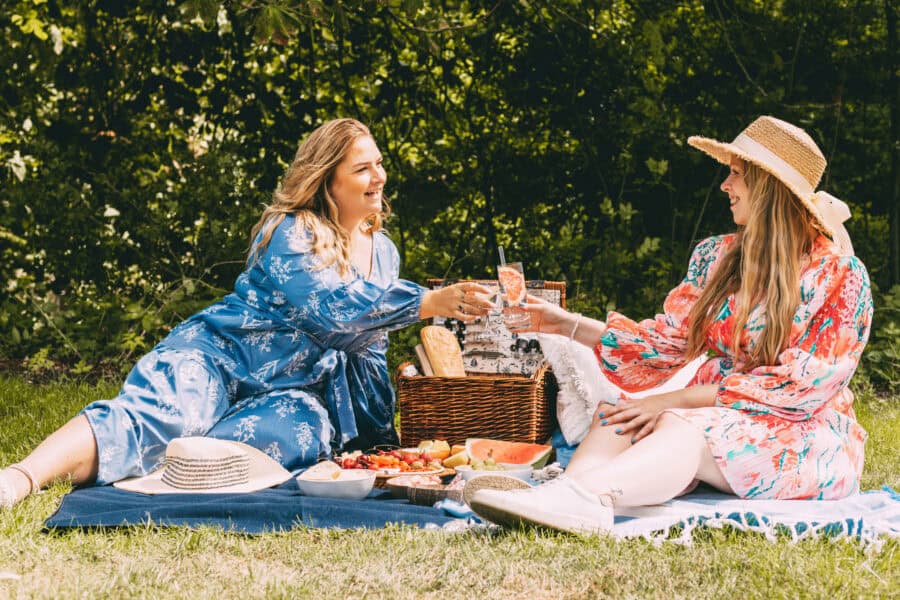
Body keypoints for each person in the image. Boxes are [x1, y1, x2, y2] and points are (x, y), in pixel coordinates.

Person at [0, 118, 494, 508]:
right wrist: (425, 303)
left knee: (303, 431)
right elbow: (330, 311)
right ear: (327, 180)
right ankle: (23, 477)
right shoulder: (291, 230)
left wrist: (382, 440)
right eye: (362, 168)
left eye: (379, 163)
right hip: (221, 355)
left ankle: (164, 470)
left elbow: (366, 350)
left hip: (294, 387)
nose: (378, 176)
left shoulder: (382, 251)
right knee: (163, 416)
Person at [469, 116, 873, 534]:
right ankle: (564, 498)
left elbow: (796, 390)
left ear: (769, 188)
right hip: (717, 414)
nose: (724, 185)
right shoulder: (717, 257)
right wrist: (562, 323)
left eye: (736, 174)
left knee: (682, 425)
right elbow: (662, 344)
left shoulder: (839, 276)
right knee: (618, 415)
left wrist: (670, 402)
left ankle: (587, 498)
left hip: (803, 433)